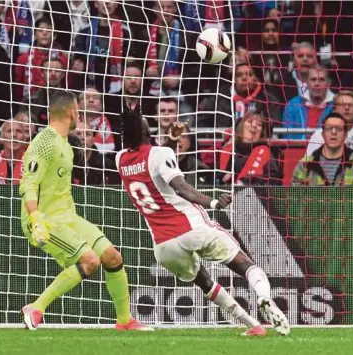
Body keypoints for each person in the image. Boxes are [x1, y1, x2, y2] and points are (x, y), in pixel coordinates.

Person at [115, 107, 290, 336]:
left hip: (163, 246)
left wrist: (171, 140)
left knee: (205, 282)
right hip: (191, 227)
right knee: (245, 265)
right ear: (145, 129)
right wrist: (214, 202)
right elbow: (182, 188)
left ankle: (253, 326)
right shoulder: (161, 154)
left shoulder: (120, 159)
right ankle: (265, 298)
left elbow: (149, 163)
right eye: (146, 120)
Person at [19, 91, 150, 331]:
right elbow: (28, 183)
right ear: (72, 113)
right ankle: (36, 307)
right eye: (79, 112)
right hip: (45, 220)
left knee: (112, 256)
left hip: (68, 217)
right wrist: (35, 217)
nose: (80, 117)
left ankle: (125, 321)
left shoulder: (67, 143)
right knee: (90, 261)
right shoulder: (44, 141)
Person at [292, 112, 353, 186]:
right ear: (322, 134)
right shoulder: (304, 165)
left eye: (339, 129)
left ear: (345, 134)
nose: (334, 132)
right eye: (329, 128)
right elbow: (296, 196)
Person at [218, 111, 283, 185]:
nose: (254, 125)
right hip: (225, 192)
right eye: (250, 121)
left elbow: (273, 180)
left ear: (262, 132)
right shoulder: (230, 149)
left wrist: (253, 181)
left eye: (259, 124)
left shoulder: (266, 151)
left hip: (254, 194)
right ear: (241, 126)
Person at [283, 65, 335, 140]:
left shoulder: (336, 105)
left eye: (322, 80)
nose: (317, 83)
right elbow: (287, 137)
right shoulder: (292, 105)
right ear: (307, 82)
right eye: (313, 79)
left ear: (328, 83)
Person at [307, 91, 353, 157]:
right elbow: (309, 163)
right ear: (334, 109)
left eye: (350, 105)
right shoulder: (319, 135)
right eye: (342, 105)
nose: (346, 108)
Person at [73, 121, 119, 185]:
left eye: (87, 134)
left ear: (93, 140)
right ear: (70, 139)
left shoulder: (107, 166)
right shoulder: (64, 163)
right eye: (78, 134)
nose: (82, 137)